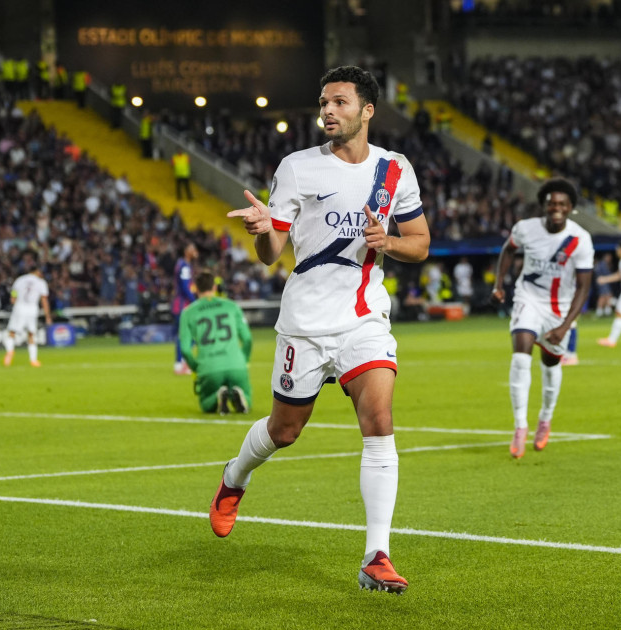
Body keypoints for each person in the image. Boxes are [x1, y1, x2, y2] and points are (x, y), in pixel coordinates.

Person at [215, 65, 430, 594]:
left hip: (363, 316)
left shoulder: (396, 170)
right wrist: (265, 231)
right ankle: (234, 477)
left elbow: (420, 243)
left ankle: (376, 556)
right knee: (284, 431)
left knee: (379, 418)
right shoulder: (296, 168)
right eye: (324, 102)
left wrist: (388, 244)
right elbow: (271, 256)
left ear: (367, 110)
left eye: (339, 102)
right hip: (306, 322)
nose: (327, 111)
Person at [491, 178, 594, 459]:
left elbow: (584, 287)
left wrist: (565, 326)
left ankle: (545, 418)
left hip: (560, 310)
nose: (556, 208)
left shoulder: (580, 239)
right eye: (552, 204)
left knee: (550, 365)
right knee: (520, 356)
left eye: (562, 204)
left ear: (570, 208)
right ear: (544, 205)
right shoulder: (526, 228)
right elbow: (508, 249)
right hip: (528, 299)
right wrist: (499, 284)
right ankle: (520, 426)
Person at [178, 270, 254, 414]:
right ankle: (238, 396)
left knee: (205, 403)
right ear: (214, 287)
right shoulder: (232, 306)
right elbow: (248, 338)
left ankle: (217, 397)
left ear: (195, 288)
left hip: (209, 368)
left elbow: (185, 350)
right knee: (247, 396)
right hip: (236, 364)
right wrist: (244, 359)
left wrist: (196, 367)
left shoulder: (188, 313)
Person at [3, 255, 52, 367]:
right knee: (31, 333)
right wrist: (47, 316)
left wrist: (14, 300)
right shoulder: (41, 282)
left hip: (20, 307)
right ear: (37, 271)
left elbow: (13, 295)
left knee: (12, 332)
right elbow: (44, 300)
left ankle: (10, 351)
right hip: (32, 308)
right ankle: (33, 360)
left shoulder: (19, 280)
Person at [172, 242, 198, 374]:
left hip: (180, 304)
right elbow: (184, 288)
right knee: (189, 335)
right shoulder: (185, 266)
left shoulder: (181, 264)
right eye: (192, 248)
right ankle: (181, 363)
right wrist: (195, 302)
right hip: (183, 305)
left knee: (184, 335)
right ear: (186, 251)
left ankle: (180, 362)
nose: (195, 250)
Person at [593, 252, 614, 317]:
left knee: (607, 296)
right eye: (609, 257)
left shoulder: (601, 264)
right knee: (603, 296)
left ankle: (606, 311)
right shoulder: (603, 264)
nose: (610, 259)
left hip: (603, 281)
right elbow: (606, 274)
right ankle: (600, 311)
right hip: (603, 282)